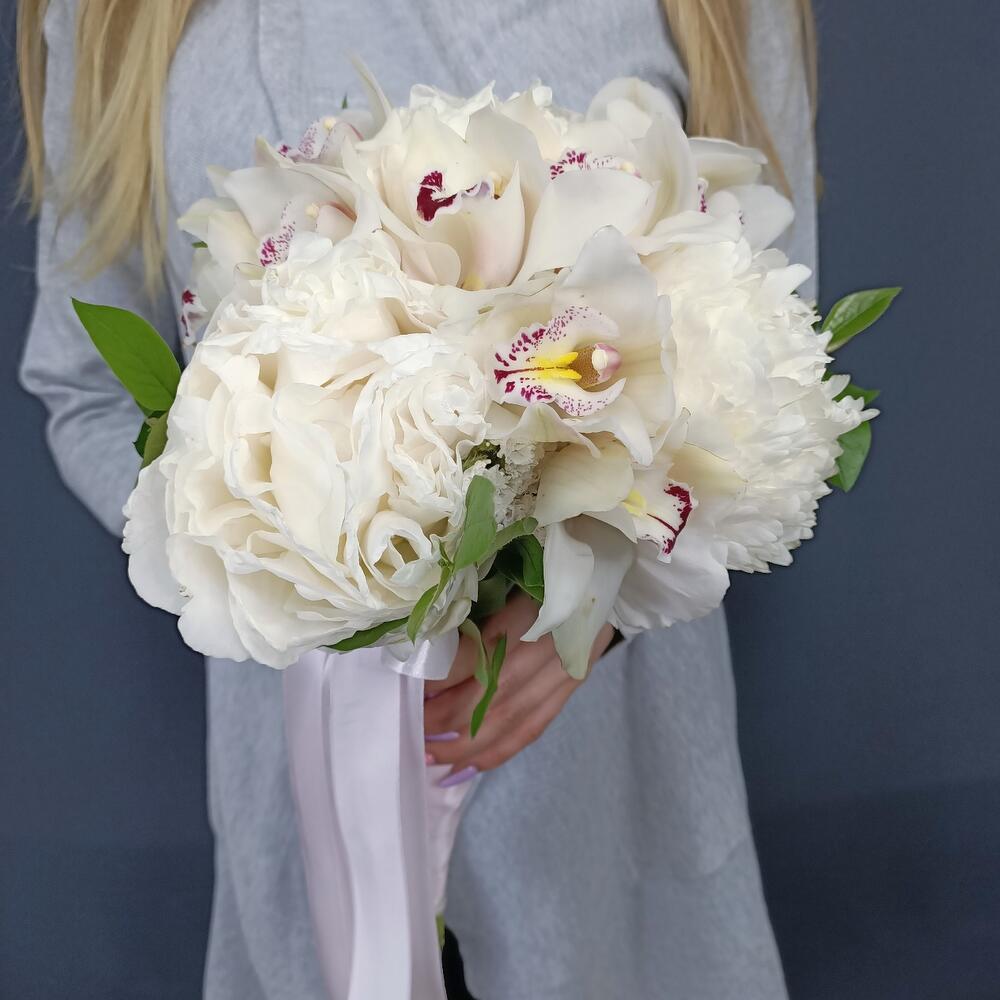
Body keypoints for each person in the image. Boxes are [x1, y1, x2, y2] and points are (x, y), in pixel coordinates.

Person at [17, 0, 817, 997]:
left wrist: (591, 606)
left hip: (610, 821)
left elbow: (764, 352)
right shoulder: (112, 19)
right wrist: (281, 562)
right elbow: (85, 385)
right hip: (306, 836)